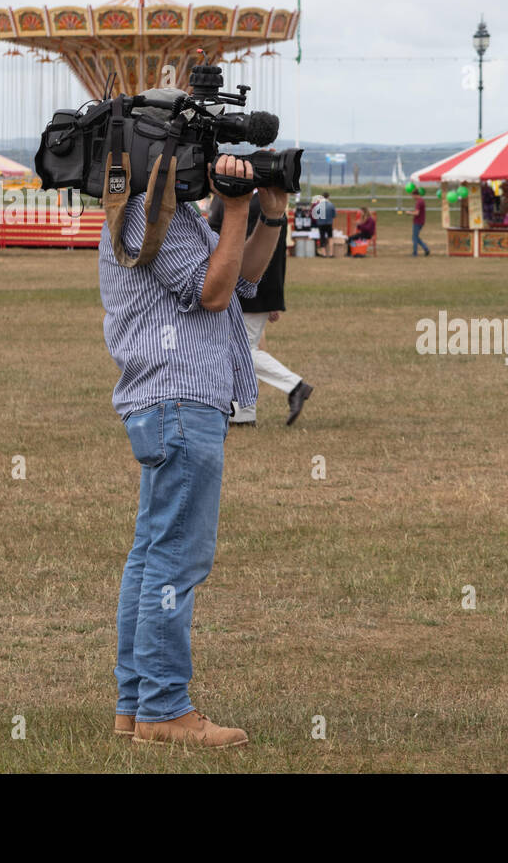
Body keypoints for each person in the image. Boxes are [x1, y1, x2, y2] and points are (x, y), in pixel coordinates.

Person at [100, 154, 288, 750]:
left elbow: (240, 278)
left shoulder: (170, 214)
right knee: (175, 560)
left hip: (180, 403)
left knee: (154, 555)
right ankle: (162, 708)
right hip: (178, 401)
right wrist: (234, 206)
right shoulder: (142, 213)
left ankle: (136, 705)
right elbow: (212, 292)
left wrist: (268, 217)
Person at [209, 194, 315, 426]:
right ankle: (244, 415)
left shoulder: (234, 201)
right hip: (263, 290)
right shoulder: (273, 205)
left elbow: (222, 245)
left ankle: (295, 386)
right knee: (239, 350)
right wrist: (274, 298)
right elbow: (278, 256)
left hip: (242, 288)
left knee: (243, 351)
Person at [313, 191, 337, 257]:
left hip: (321, 224)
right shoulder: (331, 205)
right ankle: (331, 253)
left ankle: (324, 254)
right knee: (330, 238)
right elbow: (334, 215)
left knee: (322, 238)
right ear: (328, 197)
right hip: (329, 223)